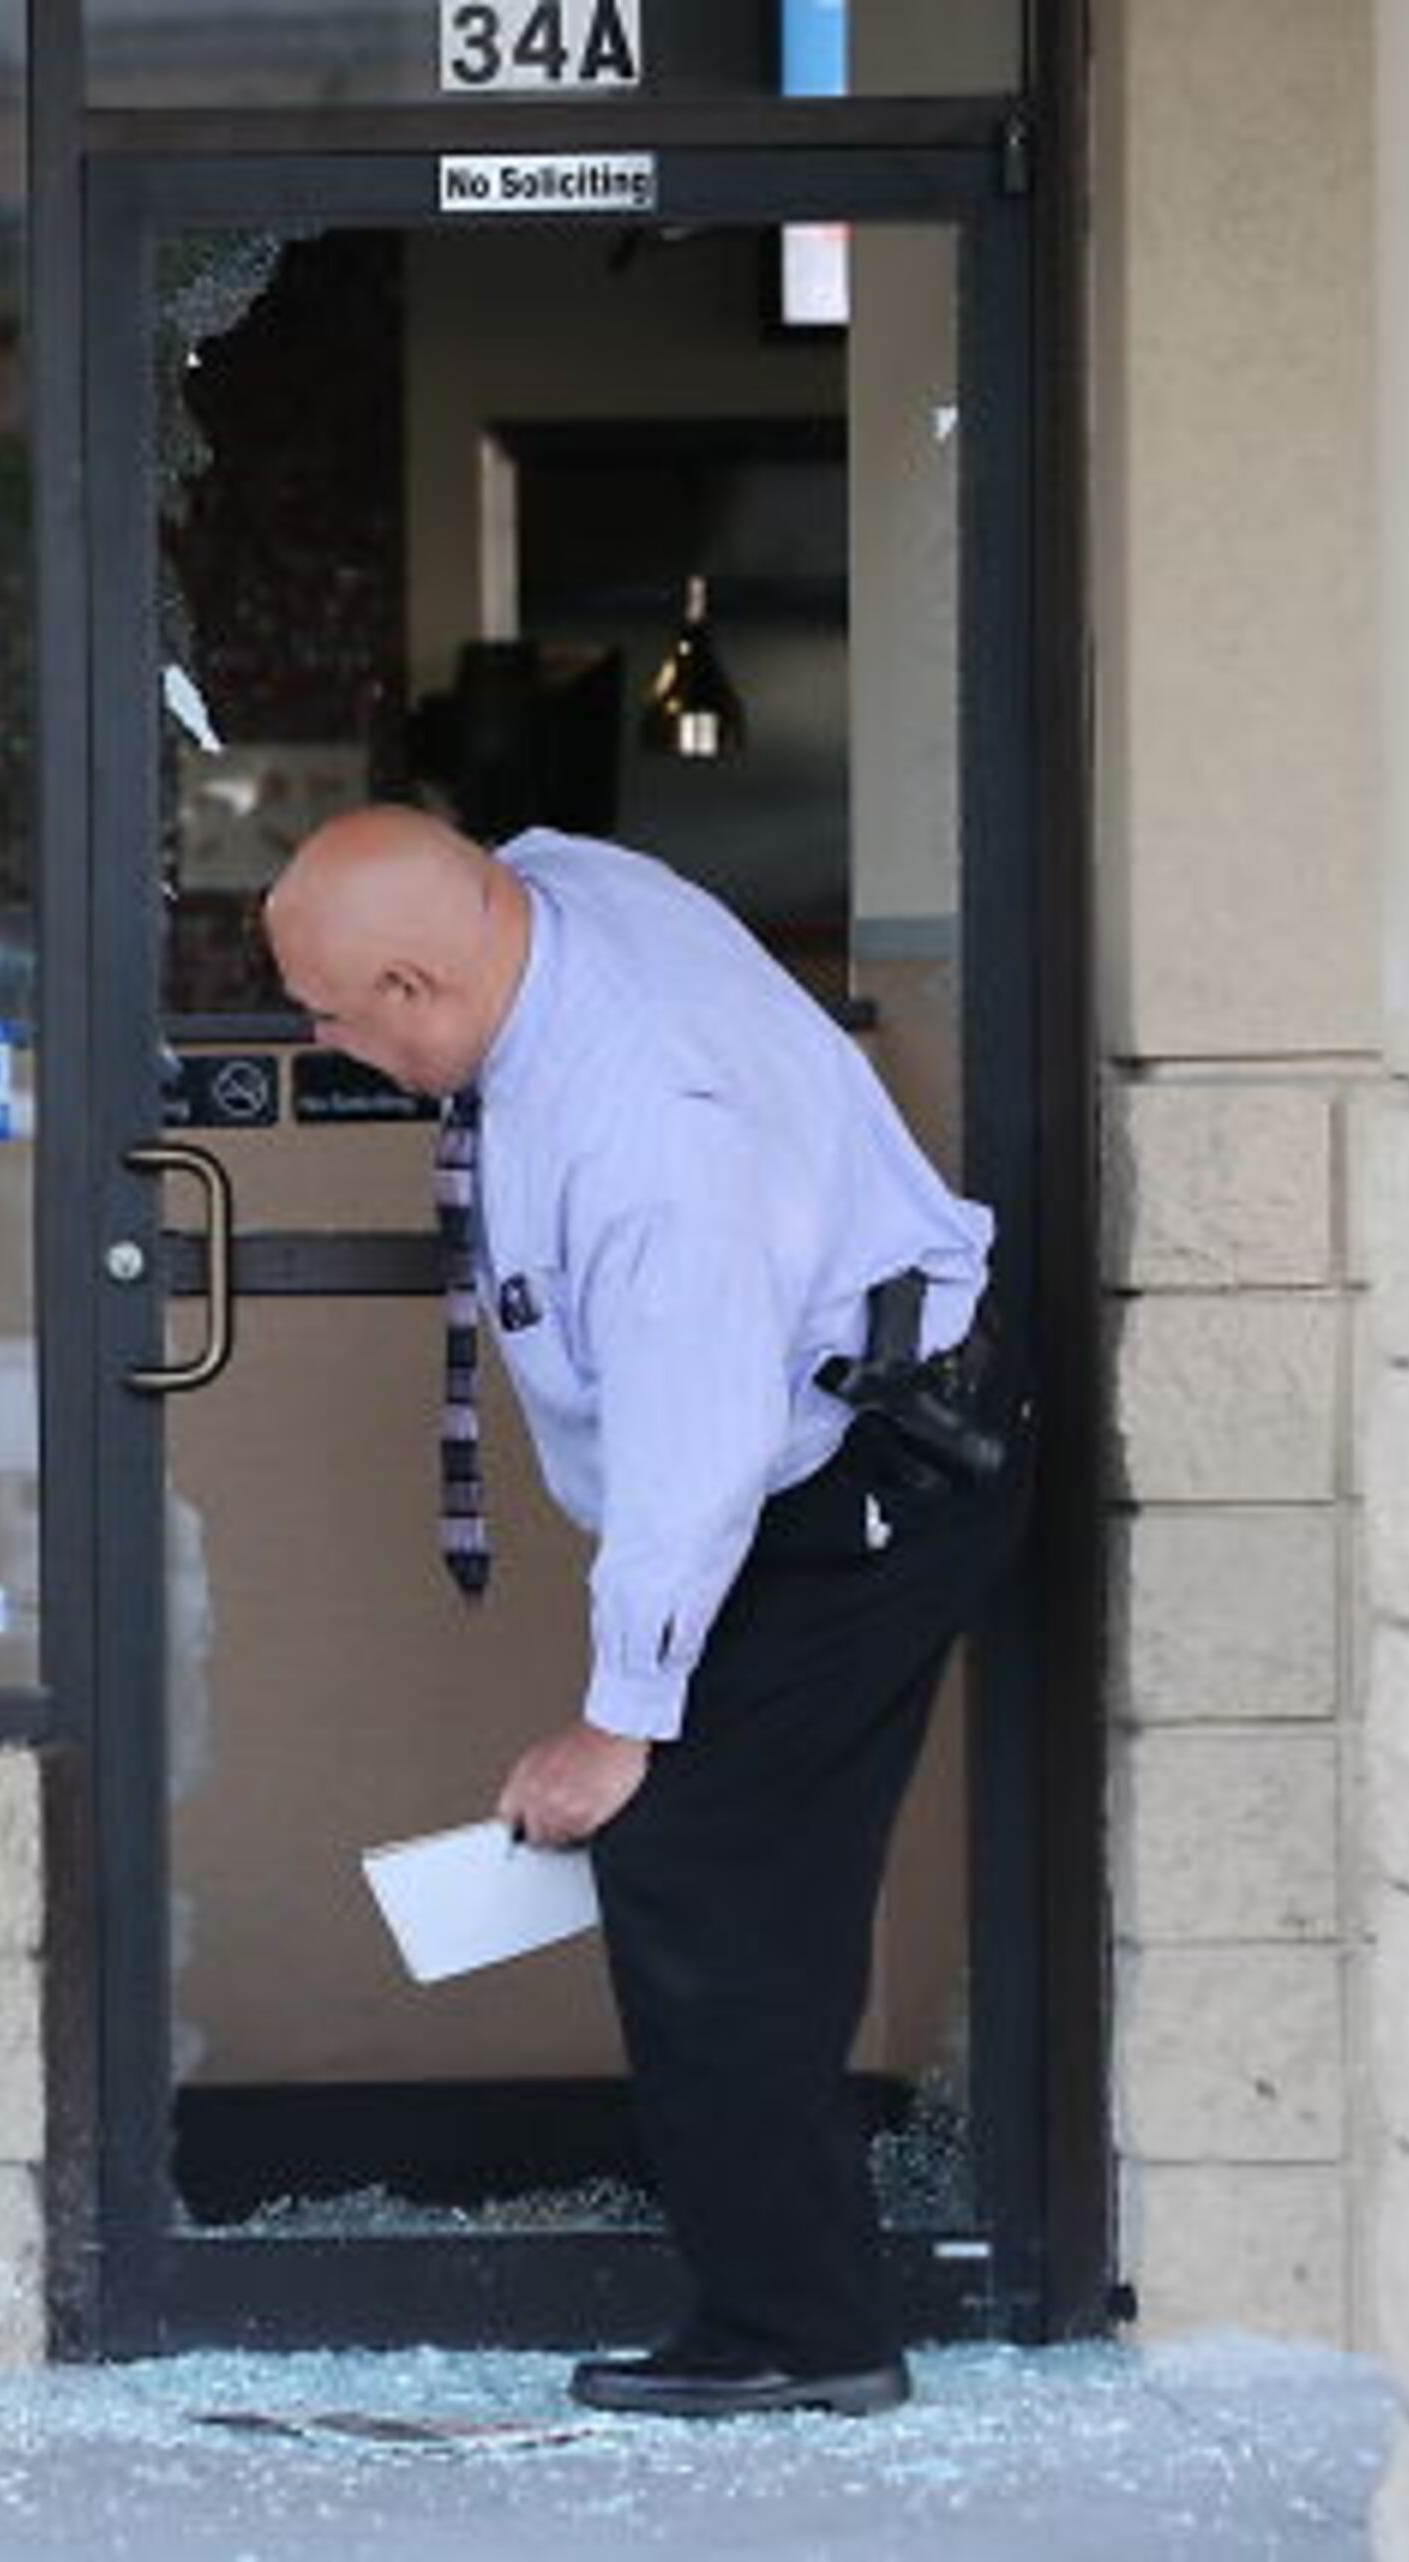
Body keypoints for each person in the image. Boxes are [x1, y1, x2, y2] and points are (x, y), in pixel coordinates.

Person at [259, 804, 1032, 2422]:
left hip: (865, 1466)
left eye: (331, 1016)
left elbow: (703, 1453)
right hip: (840, 1418)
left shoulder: (644, 1136)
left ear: (416, 981)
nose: (320, 1043)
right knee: (728, 1862)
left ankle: (800, 2329)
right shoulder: (558, 891)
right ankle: (790, 2293)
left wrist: (620, 1719)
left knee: (701, 1869)